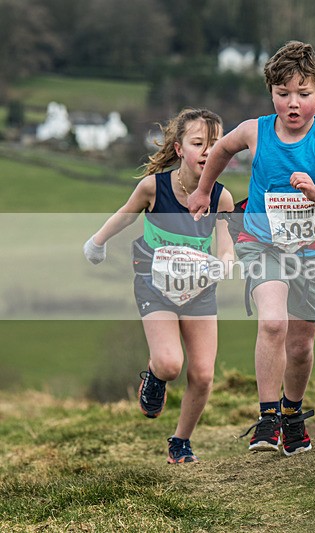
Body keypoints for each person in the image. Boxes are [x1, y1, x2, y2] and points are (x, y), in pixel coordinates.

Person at [187, 41, 315, 457]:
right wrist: (204, 190)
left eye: (303, 93)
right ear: (271, 93)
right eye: (283, 93)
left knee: (300, 347)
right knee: (272, 323)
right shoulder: (255, 131)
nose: (292, 103)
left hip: (308, 253)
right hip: (260, 243)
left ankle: (292, 414)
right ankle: (267, 418)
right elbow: (222, 149)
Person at [83, 108, 235, 464]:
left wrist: (226, 261)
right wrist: (97, 242)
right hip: (155, 286)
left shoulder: (222, 198)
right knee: (169, 365)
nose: (208, 152)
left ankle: (180, 442)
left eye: (215, 144)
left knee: (203, 375)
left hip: (199, 290)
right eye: (198, 143)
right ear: (179, 149)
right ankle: (154, 376)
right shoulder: (154, 187)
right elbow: (126, 213)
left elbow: (227, 241)